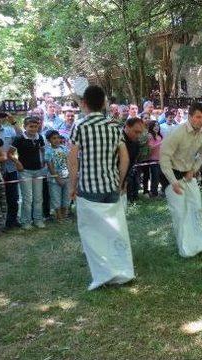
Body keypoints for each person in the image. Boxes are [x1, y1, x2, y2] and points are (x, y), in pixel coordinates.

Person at [69, 85, 133, 290]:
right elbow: (125, 158)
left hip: (88, 187)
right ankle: (120, 270)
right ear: (104, 103)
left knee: (93, 233)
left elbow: (72, 160)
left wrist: (73, 185)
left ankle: (103, 273)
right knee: (113, 230)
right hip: (111, 186)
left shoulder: (79, 126)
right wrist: (120, 181)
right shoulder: (115, 126)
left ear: (84, 103)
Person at [159, 102, 202, 257]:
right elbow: (164, 158)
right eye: (198, 117)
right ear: (190, 116)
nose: (200, 121)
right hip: (171, 175)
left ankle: (199, 245)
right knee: (180, 213)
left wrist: (193, 170)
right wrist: (173, 182)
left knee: (196, 208)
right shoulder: (177, 133)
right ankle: (185, 249)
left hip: (188, 175)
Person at [0, 111, 22, 230]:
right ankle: (0, 224)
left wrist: (13, 122)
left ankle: (12, 221)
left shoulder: (8, 130)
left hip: (10, 168)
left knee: (13, 197)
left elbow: (20, 135)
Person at [12, 116, 46, 229]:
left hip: (38, 171)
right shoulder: (19, 138)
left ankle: (38, 220)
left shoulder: (40, 137)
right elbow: (10, 154)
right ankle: (26, 221)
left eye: (36, 126)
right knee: (27, 198)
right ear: (25, 127)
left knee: (38, 198)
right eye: (31, 126)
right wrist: (17, 163)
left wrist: (43, 162)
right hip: (25, 171)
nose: (33, 129)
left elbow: (43, 150)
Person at [44, 130, 70, 221]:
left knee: (66, 197)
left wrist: (69, 174)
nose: (57, 140)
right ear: (49, 140)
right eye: (54, 138)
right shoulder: (48, 151)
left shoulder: (64, 148)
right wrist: (57, 178)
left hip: (66, 176)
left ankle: (65, 215)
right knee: (56, 197)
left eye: (58, 138)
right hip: (54, 178)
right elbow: (50, 165)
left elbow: (68, 161)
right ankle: (59, 217)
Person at [122, 117, 144, 203]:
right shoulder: (116, 139)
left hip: (125, 177)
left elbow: (131, 163)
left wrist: (125, 181)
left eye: (140, 133)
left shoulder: (136, 143)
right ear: (127, 127)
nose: (138, 135)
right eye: (136, 132)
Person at [147, 120, 166, 197]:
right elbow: (150, 147)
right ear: (151, 127)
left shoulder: (160, 135)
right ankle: (154, 194)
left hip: (161, 160)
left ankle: (163, 191)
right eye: (155, 126)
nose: (156, 127)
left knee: (164, 177)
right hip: (153, 160)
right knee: (155, 178)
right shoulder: (150, 135)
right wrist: (160, 143)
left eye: (158, 125)